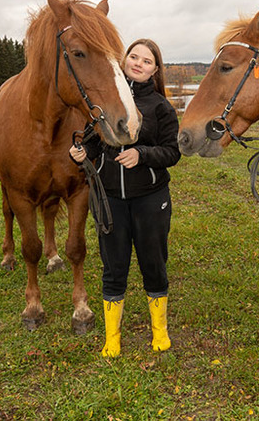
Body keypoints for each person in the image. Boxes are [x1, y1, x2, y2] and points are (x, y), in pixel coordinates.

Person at [69, 38, 181, 357]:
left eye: (146, 61)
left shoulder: (161, 107)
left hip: (150, 198)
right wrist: (82, 152)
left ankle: (160, 331)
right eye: (133, 57)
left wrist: (141, 154)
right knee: (113, 266)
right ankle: (112, 338)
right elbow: (94, 140)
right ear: (124, 60)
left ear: (155, 70)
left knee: (153, 263)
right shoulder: (106, 99)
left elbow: (173, 152)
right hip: (110, 199)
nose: (138, 63)